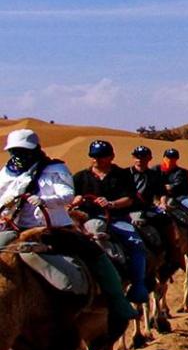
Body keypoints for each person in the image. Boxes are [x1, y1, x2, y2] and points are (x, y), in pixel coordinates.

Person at [0, 130, 138, 328]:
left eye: (23, 151)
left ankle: (117, 301)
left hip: (52, 227)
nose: (18, 155)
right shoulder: (6, 173)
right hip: (15, 227)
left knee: (94, 252)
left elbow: (67, 194)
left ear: (35, 149)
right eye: (14, 151)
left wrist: (46, 200)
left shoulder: (55, 168)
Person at [72, 140, 149, 305]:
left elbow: (130, 199)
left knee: (136, 243)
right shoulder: (80, 177)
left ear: (111, 157)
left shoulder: (122, 175)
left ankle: (138, 285)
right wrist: (75, 200)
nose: (97, 160)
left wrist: (111, 204)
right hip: (86, 219)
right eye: (94, 156)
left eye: (101, 156)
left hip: (116, 218)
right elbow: (70, 197)